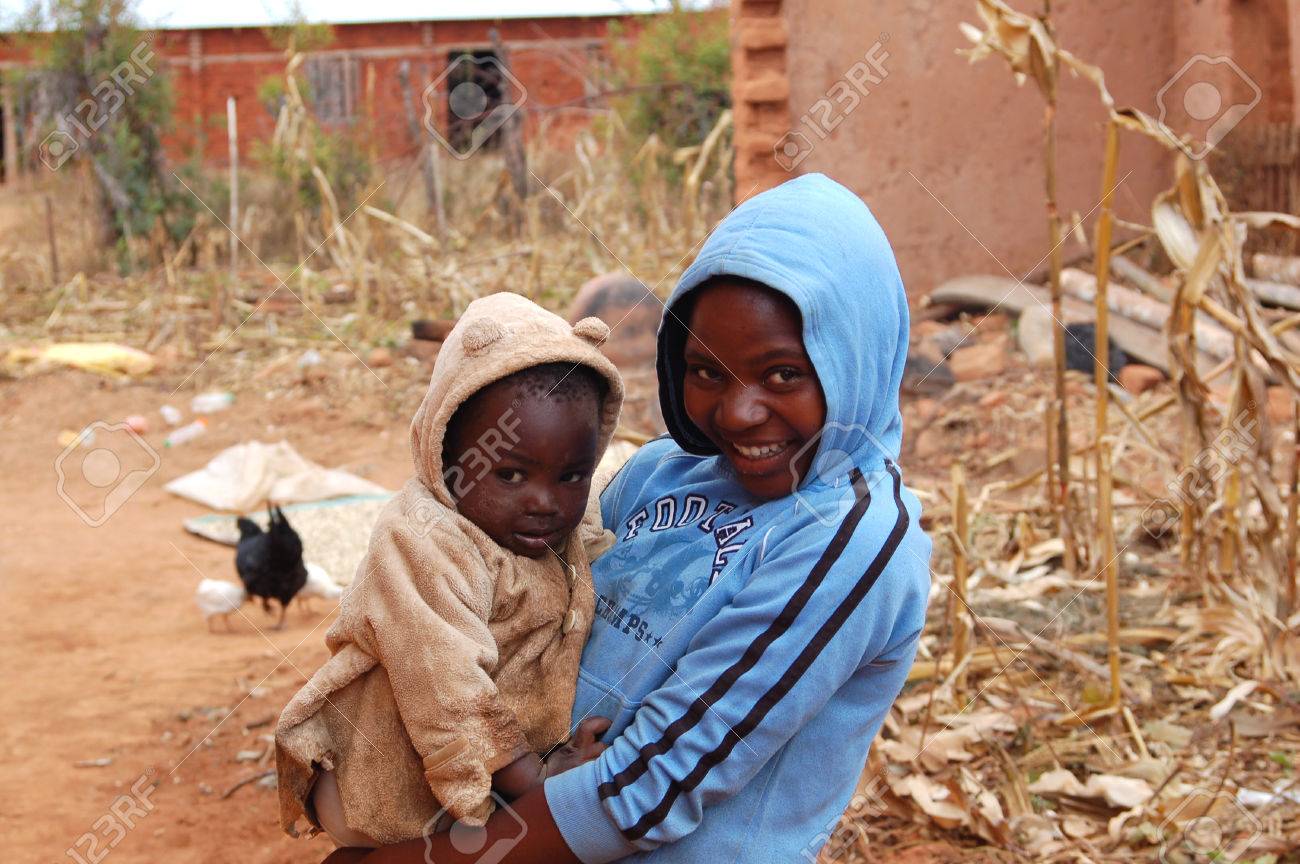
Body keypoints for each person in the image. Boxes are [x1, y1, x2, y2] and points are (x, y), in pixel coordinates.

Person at [327, 172, 931, 863]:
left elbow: (648, 791)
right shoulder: (659, 471)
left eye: (782, 375)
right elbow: (517, 616)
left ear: (854, 356)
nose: (737, 413)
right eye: (707, 372)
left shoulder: (853, 539)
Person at [275, 292, 625, 848]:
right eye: (510, 474)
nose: (545, 501)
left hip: (475, 772)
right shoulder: (423, 539)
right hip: (380, 786)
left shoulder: (551, 527)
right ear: (445, 450)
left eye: (571, 476)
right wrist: (535, 784)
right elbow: (446, 684)